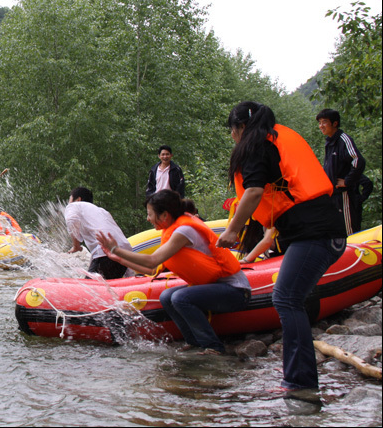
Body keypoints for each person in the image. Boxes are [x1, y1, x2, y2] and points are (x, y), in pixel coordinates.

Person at [217, 101, 346, 391]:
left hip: (316, 234)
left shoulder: (256, 146)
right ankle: (298, 377)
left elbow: (253, 191)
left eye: (232, 131)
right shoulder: (273, 139)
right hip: (319, 231)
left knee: (286, 298)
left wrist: (231, 231)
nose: (233, 137)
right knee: (290, 297)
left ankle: (300, 384)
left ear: (240, 128)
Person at [98, 189, 250, 354]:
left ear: (164, 215)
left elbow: (152, 260)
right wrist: (119, 259)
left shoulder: (183, 232)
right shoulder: (171, 231)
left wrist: (117, 249)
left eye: (150, 214)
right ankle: (194, 342)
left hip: (235, 290)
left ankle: (213, 347)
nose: (148, 218)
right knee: (167, 296)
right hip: (217, 288)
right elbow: (151, 269)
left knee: (180, 297)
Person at [65, 187, 133, 280]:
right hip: (125, 255)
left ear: (78, 199)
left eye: (69, 199)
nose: (68, 203)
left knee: (89, 291)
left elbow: (71, 220)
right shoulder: (102, 211)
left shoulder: (74, 206)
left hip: (106, 254)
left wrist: (76, 245)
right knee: (105, 290)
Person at [316, 108, 366, 235]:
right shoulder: (330, 142)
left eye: (324, 122)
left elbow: (358, 161)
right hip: (333, 195)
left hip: (345, 195)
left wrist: (347, 181)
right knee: (337, 232)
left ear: (335, 123)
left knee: (350, 232)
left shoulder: (343, 139)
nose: (321, 126)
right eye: (320, 122)